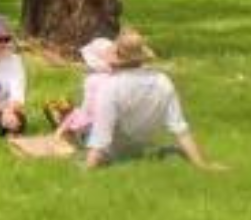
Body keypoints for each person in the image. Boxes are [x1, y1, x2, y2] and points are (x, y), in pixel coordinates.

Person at [86, 30, 224, 171]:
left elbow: (100, 137)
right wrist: (201, 164)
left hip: (113, 152)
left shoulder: (110, 86)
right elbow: (180, 127)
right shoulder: (162, 80)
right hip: (147, 148)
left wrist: (88, 167)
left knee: (78, 122)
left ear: (116, 59)